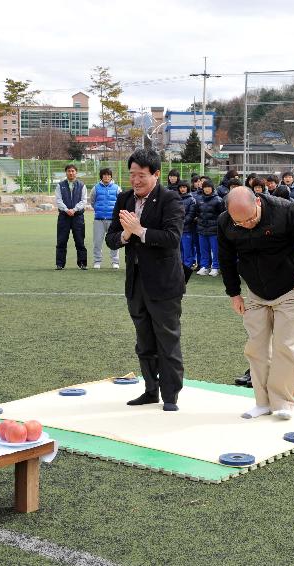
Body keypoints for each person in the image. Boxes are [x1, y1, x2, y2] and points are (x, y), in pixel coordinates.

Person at [218, 187, 294, 420]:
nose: (246, 225)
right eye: (239, 223)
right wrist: (234, 294)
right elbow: (226, 259)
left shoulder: (285, 211)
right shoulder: (225, 222)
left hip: (293, 290)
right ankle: (262, 402)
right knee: (256, 348)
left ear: (258, 201)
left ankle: (283, 402)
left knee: (286, 347)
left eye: (250, 219)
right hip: (256, 292)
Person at [105, 149, 185, 411]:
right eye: (132, 175)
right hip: (135, 282)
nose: (135, 180)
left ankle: (170, 395)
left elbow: (172, 238)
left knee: (167, 340)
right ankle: (151, 390)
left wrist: (140, 231)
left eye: (141, 175)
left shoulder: (170, 199)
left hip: (164, 283)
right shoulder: (124, 198)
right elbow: (111, 238)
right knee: (144, 341)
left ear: (156, 174)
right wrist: (126, 236)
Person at [54, 164, 88, 270]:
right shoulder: (60, 185)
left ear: (76, 172)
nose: (71, 173)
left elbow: (84, 200)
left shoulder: (82, 185)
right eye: (69, 171)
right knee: (61, 241)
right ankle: (60, 264)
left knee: (80, 241)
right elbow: (58, 200)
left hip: (78, 217)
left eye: (73, 171)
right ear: (66, 172)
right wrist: (66, 210)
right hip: (64, 217)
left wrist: (74, 209)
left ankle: (82, 263)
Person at [90, 167, 121, 269]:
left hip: (113, 220)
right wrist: (99, 211)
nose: (106, 176)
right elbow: (93, 202)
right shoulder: (95, 188)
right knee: (97, 241)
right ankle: (97, 261)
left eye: (108, 175)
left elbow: (120, 203)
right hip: (99, 220)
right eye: (104, 175)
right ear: (101, 176)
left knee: (114, 241)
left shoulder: (117, 188)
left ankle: (115, 262)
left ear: (111, 176)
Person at [196, 179, 225, 276]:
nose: (207, 189)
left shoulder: (218, 200)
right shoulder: (199, 199)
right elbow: (197, 213)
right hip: (202, 229)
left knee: (215, 249)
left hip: (214, 230)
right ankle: (205, 267)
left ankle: (215, 267)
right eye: (205, 187)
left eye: (209, 187)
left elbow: (222, 215)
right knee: (203, 249)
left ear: (212, 188)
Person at [177, 180, 198, 270]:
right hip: (177, 229)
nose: (182, 189)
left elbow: (191, 215)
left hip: (187, 229)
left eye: (184, 187)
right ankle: (180, 265)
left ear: (187, 188)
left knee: (187, 249)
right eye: (181, 187)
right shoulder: (176, 198)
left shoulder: (191, 199)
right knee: (179, 249)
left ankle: (187, 266)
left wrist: (181, 222)